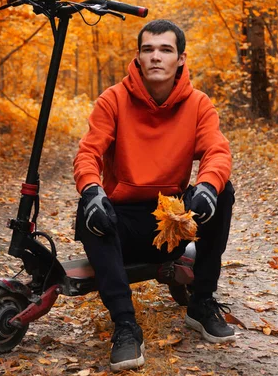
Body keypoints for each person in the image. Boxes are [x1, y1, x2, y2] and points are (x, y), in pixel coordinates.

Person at [73, 19, 235, 372]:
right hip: (125, 223)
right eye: (148, 50)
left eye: (165, 50)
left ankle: (202, 302)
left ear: (180, 59)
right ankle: (126, 325)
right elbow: (88, 153)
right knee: (87, 210)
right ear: (138, 56)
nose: (156, 57)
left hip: (173, 221)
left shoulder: (198, 104)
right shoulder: (113, 99)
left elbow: (217, 152)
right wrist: (90, 188)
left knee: (223, 191)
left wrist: (207, 186)